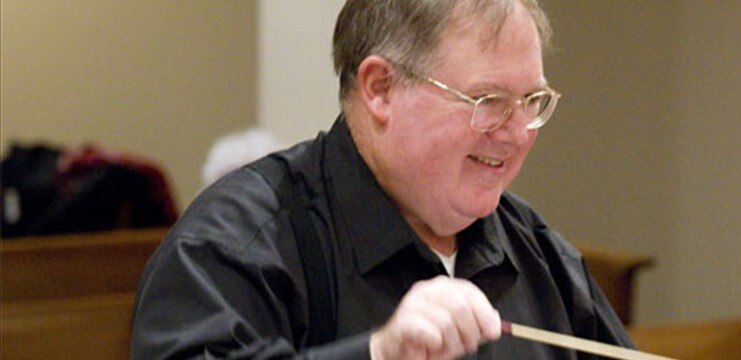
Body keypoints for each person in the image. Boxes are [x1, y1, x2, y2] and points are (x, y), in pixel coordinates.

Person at [130, 0, 635, 359]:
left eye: (532, 102)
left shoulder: (539, 253)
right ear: (380, 88)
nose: (519, 132)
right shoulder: (232, 244)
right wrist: (378, 353)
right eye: (488, 101)